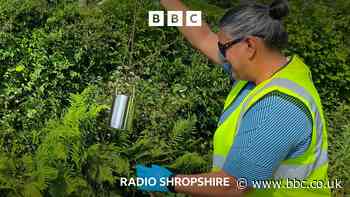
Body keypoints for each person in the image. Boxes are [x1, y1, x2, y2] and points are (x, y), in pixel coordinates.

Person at [136, 0, 331, 196]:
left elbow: (233, 186)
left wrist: (169, 181)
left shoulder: (278, 106)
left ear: (249, 45)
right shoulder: (265, 73)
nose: (221, 54)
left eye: (224, 48)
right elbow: (203, 36)